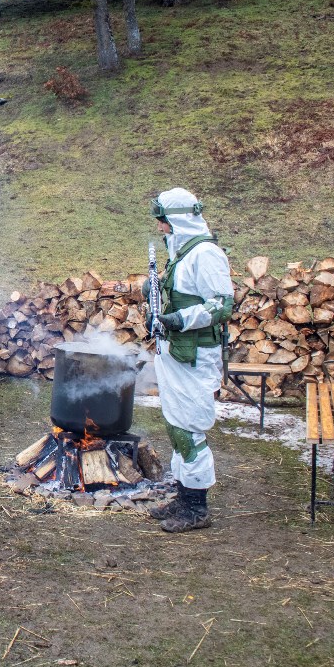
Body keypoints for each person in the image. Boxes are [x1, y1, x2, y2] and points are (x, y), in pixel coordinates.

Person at [145, 187, 234, 533]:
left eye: (163, 221)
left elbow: (221, 305)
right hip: (177, 352)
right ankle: (184, 496)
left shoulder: (206, 254)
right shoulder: (181, 253)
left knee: (190, 429)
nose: (160, 228)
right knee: (176, 424)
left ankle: (197, 508)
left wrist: (178, 320)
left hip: (196, 355)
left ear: (178, 220)